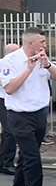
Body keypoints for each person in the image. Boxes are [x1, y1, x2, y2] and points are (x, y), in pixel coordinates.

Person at [1, 27, 56, 186]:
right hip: (19, 117)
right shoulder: (8, 62)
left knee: (26, 160)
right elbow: (10, 89)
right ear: (30, 43)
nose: (45, 45)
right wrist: (28, 69)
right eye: (42, 42)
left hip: (39, 115)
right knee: (33, 160)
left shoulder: (43, 60)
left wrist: (47, 65)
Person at [0, 43, 20, 175]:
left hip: (11, 100)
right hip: (3, 99)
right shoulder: (3, 64)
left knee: (9, 132)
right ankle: (6, 163)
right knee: (10, 132)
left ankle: (4, 161)